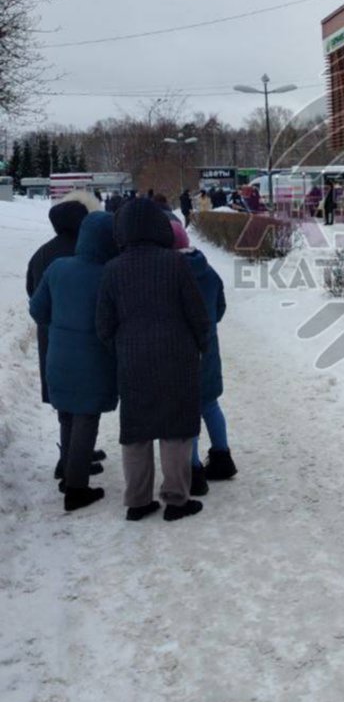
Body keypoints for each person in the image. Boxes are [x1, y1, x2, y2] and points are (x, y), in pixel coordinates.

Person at [96, 199, 210, 522]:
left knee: (136, 431)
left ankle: (137, 501)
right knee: (176, 430)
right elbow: (197, 314)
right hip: (177, 358)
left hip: (132, 360)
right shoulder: (175, 264)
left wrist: (119, 348)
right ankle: (176, 500)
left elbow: (103, 325)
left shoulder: (112, 269)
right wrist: (203, 346)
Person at [29, 213, 118, 512]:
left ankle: (69, 474)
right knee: (85, 419)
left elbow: (38, 310)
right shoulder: (108, 273)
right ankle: (76, 489)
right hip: (93, 359)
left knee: (67, 415)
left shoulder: (57, 268)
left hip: (58, 355)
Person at [26, 190, 105, 482]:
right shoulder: (90, 253)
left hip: (52, 338)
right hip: (86, 338)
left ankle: (70, 455)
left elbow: (33, 294)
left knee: (65, 402)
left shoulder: (42, 253)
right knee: (85, 403)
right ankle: (75, 462)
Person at [169, 222, 237, 489]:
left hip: (181, 350)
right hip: (208, 347)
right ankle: (222, 457)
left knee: (187, 410)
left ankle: (193, 469)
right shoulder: (208, 272)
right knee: (209, 403)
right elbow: (219, 308)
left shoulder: (170, 276)